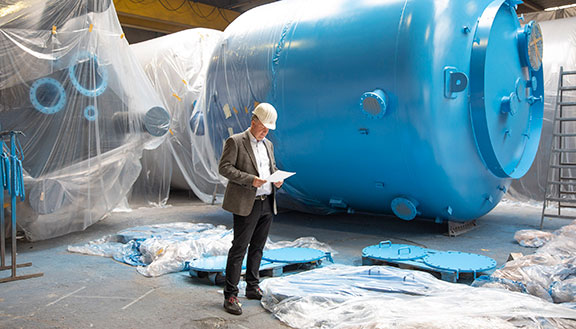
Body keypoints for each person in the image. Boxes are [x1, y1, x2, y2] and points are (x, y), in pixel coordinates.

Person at [218, 102, 283, 315]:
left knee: (258, 247)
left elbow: (270, 168)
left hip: (266, 201)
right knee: (239, 249)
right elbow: (224, 168)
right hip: (247, 203)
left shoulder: (268, 145)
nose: (265, 132)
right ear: (253, 122)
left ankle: (252, 286)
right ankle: (231, 295)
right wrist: (250, 180)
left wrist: (277, 178)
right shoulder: (236, 142)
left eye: (268, 129)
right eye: (263, 127)